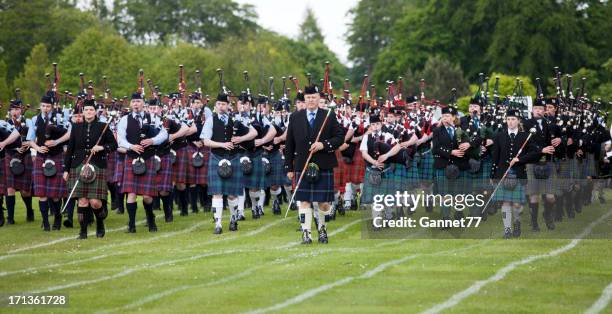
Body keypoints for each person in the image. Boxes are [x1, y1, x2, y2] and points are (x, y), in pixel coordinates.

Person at [284, 85, 344, 244]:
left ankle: (322, 229)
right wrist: (289, 167)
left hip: (323, 164)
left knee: (323, 202)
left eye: (314, 97)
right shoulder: (295, 117)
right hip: (302, 163)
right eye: (308, 97)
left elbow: (340, 138)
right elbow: (289, 143)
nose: (311, 100)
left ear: (319, 99)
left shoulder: (328, 116)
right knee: (304, 200)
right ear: (304, 99)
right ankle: (306, 233)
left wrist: (323, 145)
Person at [201, 93, 257, 234]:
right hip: (216, 157)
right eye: (218, 104)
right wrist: (222, 144)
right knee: (217, 193)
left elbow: (254, 132)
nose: (221, 107)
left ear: (228, 106)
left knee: (232, 194)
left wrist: (240, 138)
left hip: (233, 158)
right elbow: (206, 141)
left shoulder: (235, 120)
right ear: (215, 106)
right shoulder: (211, 120)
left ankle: (233, 219)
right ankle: (218, 224)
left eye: (223, 104)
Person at [63, 99, 117, 239]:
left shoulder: (103, 126)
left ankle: (100, 223)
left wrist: (102, 148)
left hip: (97, 165)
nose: (89, 112)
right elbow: (70, 150)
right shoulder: (75, 127)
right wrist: (66, 169)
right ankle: (83, 231)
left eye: (91, 110)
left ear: (95, 112)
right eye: (86, 110)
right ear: (83, 112)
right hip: (78, 165)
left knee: (95, 202)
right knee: (82, 201)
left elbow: (114, 145)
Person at [116, 92, 168, 233]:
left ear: (143, 103)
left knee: (147, 196)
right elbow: (120, 139)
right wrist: (131, 146)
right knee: (131, 193)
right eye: (133, 102)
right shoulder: (124, 120)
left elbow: (164, 134)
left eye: (138, 101)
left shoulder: (153, 118)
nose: (136, 104)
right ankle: (131, 225)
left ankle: (150, 217)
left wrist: (152, 141)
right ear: (130, 104)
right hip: (131, 158)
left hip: (148, 157)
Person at [490, 108, 538, 238]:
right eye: (508, 119)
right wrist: (493, 175)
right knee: (505, 203)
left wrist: (520, 159)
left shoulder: (525, 136)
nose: (510, 122)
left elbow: (535, 153)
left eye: (513, 119)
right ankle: (507, 229)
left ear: (518, 121)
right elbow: (495, 156)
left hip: (518, 173)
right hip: (503, 173)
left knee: (516, 204)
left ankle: (517, 222)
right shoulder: (499, 136)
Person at [26, 92, 71, 231]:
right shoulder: (34, 119)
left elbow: (70, 133)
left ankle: (57, 217)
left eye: (48, 106)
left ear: (52, 106)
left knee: (55, 194)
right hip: (41, 157)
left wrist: (56, 141)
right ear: (40, 106)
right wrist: (38, 148)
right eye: (43, 106)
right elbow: (29, 140)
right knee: (41, 193)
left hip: (56, 155)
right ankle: (45, 222)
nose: (45, 108)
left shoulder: (59, 118)